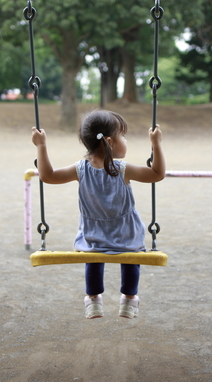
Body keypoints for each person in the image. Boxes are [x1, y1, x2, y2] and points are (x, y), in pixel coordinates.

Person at [32, 109, 165, 319]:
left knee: (92, 256)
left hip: (94, 235)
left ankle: (93, 299)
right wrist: (156, 143)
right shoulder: (123, 169)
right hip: (126, 235)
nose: (126, 141)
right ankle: (129, 299)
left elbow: (47, 176)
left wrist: (41, 145)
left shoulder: (80, 170)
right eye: (123, 136)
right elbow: (157, 174)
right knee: (132, 257)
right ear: (111, 142)